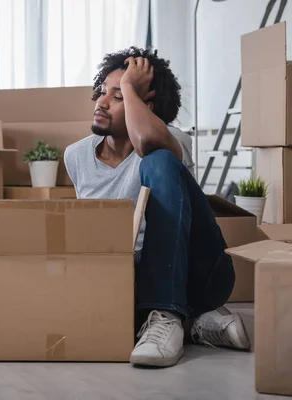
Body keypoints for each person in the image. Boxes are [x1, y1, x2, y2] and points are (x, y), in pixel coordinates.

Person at [64, 47, 251, 368]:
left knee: (160, 161)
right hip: (129, 276)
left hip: (198, 271)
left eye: (119, 95)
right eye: (102, 91)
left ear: (144, 107)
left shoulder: (171, 139)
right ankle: (198, 323)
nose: (102, 102)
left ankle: (166, 313)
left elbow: (148, 141)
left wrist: (131, 92)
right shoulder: (76, 155)